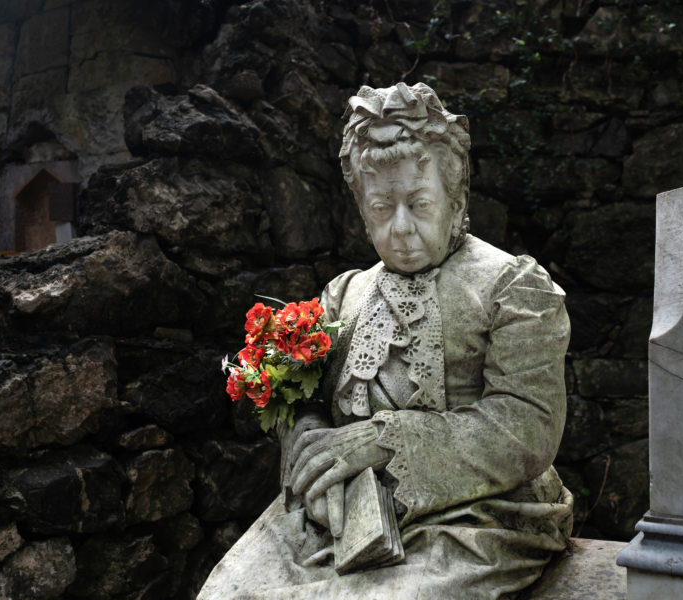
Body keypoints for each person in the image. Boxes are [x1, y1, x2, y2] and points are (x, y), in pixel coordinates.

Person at [198, 82, 573, 599]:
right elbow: (306, 400)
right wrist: (308, 438)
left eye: (419, 204)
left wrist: (383, 440)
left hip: (476, 516)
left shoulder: (512, 286)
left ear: (456, 196)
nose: (399, 228)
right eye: (381, 207)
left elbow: (528, 427)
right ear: (361, 208)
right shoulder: (344, 294)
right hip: (338, 519)